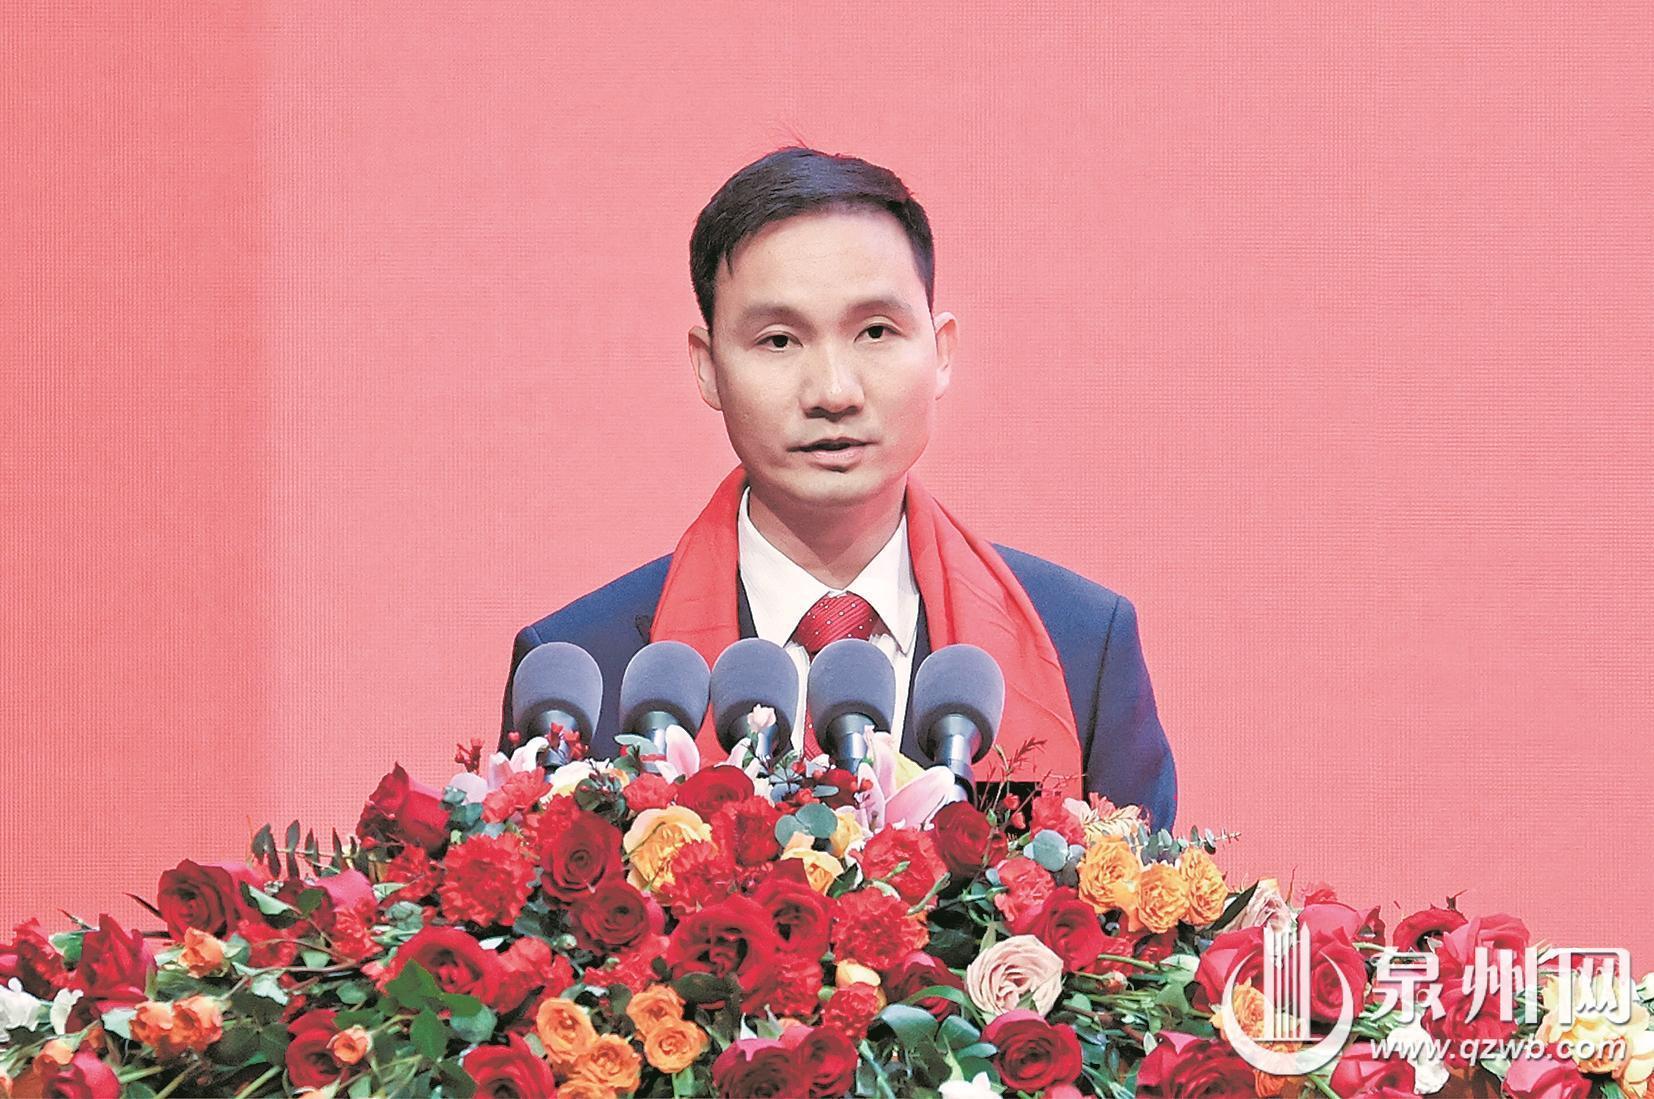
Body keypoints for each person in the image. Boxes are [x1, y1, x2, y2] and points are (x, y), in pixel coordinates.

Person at [503, 147, 1177, 829]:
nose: (833, 391)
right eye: (778, 341)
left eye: (875, 332)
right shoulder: (583, 673)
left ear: (941, 351)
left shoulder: (1081, 647)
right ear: (707, 367)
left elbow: (1142, 896)